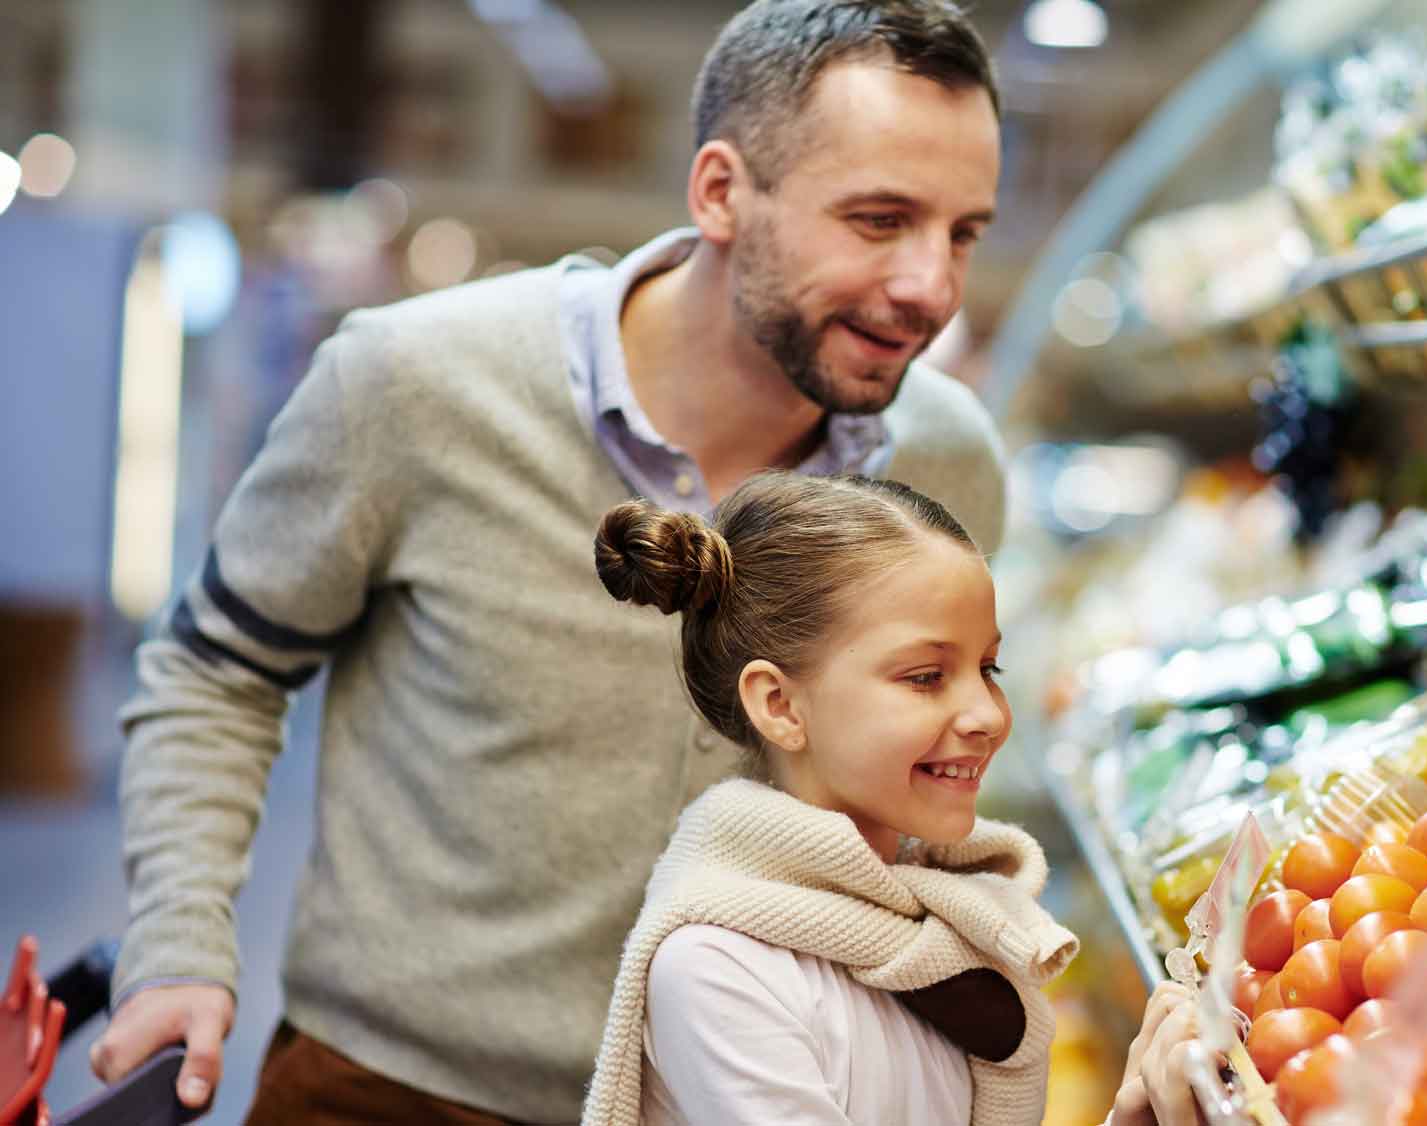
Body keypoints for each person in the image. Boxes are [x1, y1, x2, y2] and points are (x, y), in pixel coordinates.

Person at [92, 2, 1016, 1121]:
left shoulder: (948, 464)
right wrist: (180, 941)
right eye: (880, 220)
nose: (933, 286)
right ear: (721, 191)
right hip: (391, 1093)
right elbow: (217, 669)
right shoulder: (414, 383)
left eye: (964, 232)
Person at [582, 473, 1210, 1125]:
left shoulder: (935, 926)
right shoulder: (718, 971)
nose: (988, 715)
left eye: (988, 670)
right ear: (779, 705)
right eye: (925, 676)